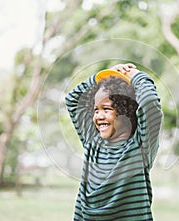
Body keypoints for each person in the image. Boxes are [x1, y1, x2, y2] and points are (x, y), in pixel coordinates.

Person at [65, 63, 162, 220]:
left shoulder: (140, 145)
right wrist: (105, 76)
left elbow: (150, 102)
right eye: (96, 110)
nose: (99, 116)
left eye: (107, 109)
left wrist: (135, 75)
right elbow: (72, 100)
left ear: (125, 111)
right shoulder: (92, 141)